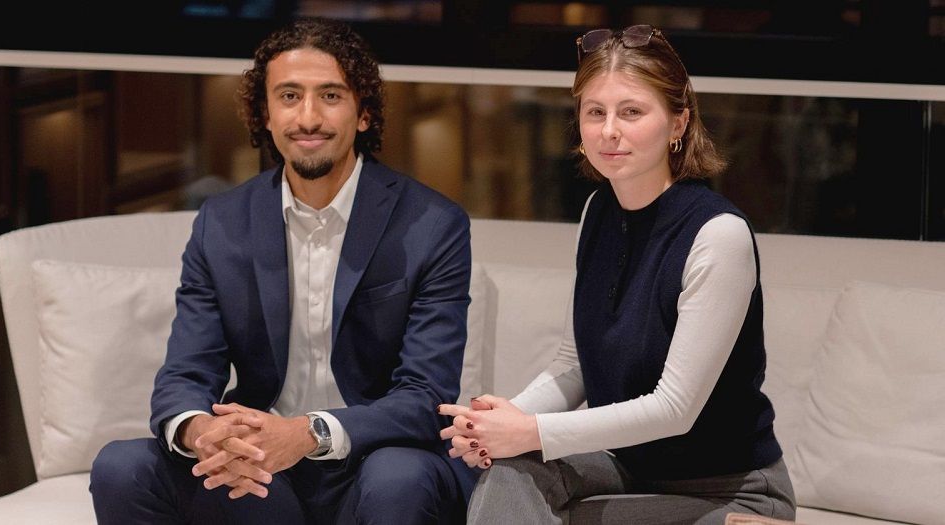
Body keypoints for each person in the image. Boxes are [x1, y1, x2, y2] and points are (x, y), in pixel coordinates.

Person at [90, 17, 476, 524]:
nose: (308, 118)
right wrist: (204, 433)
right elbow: (187, 371)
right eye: (289, 96)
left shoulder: (432, 224)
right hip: (261, 467)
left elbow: (425, 396)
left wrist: (307, 433)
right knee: (121, 467)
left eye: (331, 96)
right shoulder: (222, 222)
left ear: (363, 113)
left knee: (398, 477)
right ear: (265, 114)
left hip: (374, 462)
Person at [438, 24, 796, 524]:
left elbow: (675, 408)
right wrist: (499, 423)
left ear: (678, 122)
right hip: (632, 471)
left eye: (631, 112)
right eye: (595, 112)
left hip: (730, 491)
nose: (609, 130)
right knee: (511, 471)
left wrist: (532, 431)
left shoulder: (718, 234)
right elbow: (574, 365)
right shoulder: (598, 211)